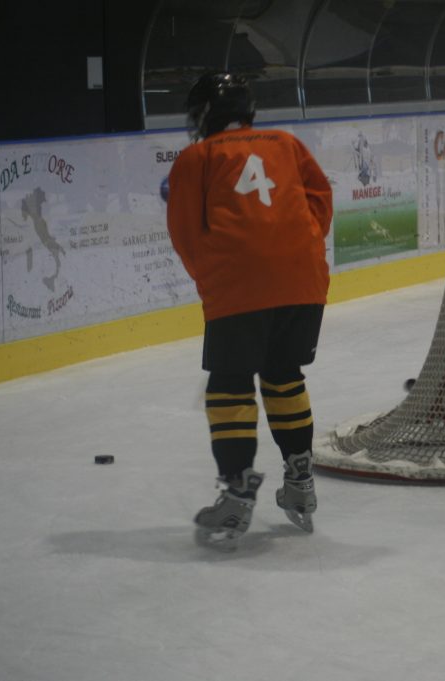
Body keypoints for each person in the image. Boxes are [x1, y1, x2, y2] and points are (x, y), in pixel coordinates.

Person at [165, 72, 333, 549]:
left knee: (229, 383)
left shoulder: (197, 157)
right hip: (304, 279)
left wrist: (216, 279)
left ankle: (237, 491)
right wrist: (295, 250)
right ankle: (300, 480)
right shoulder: (286, 142)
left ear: (204, 115)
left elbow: (185, 232)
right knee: (284, 374)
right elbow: (320, 199)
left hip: (239, 284)